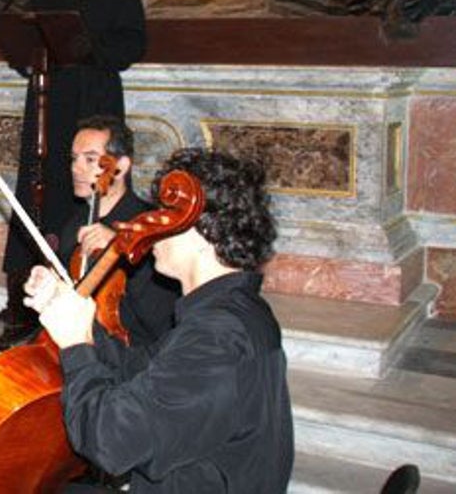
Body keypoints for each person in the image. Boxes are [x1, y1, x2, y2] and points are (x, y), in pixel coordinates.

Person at [24, 148, 294, 492]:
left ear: (201, 231)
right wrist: (78, 322)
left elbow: (109, 442)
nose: (149, 225)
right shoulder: (231, 312)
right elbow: (142, 370)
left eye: (164, 213)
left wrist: (77, 346)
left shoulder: (219, 336)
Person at [0, 0, 146, 351]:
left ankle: (89, 291)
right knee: (37, 187)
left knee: (90, 184)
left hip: (93, 96)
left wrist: (85, 44)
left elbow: (133, 42)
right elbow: (24, 41)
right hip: (49, 97)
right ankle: (24, 300)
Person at [56, 116, 179, 348]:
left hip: (130, 353)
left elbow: (162, 317)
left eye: (90, 159)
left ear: (120, 167)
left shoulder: (150, 226)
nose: (76, 168)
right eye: (74, 158)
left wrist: (125, 246)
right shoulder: (75, 224)